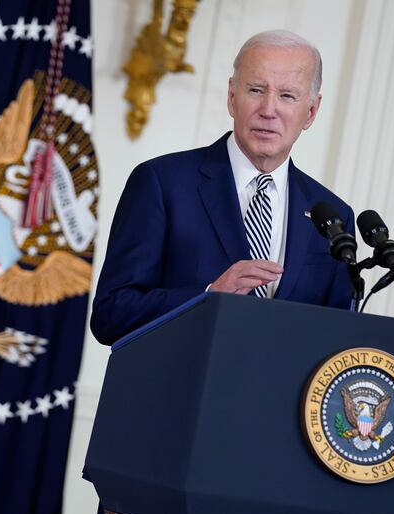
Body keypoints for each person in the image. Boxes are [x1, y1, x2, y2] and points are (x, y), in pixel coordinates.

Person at [90, 30, 354, 346]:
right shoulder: (162, 183)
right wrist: (207, 297)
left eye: (287, 96)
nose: (269, 110)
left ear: (310, 112)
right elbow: (110, 314)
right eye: (256, 90)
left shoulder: (333, 216)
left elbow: (336, 338)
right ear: (232, 97)